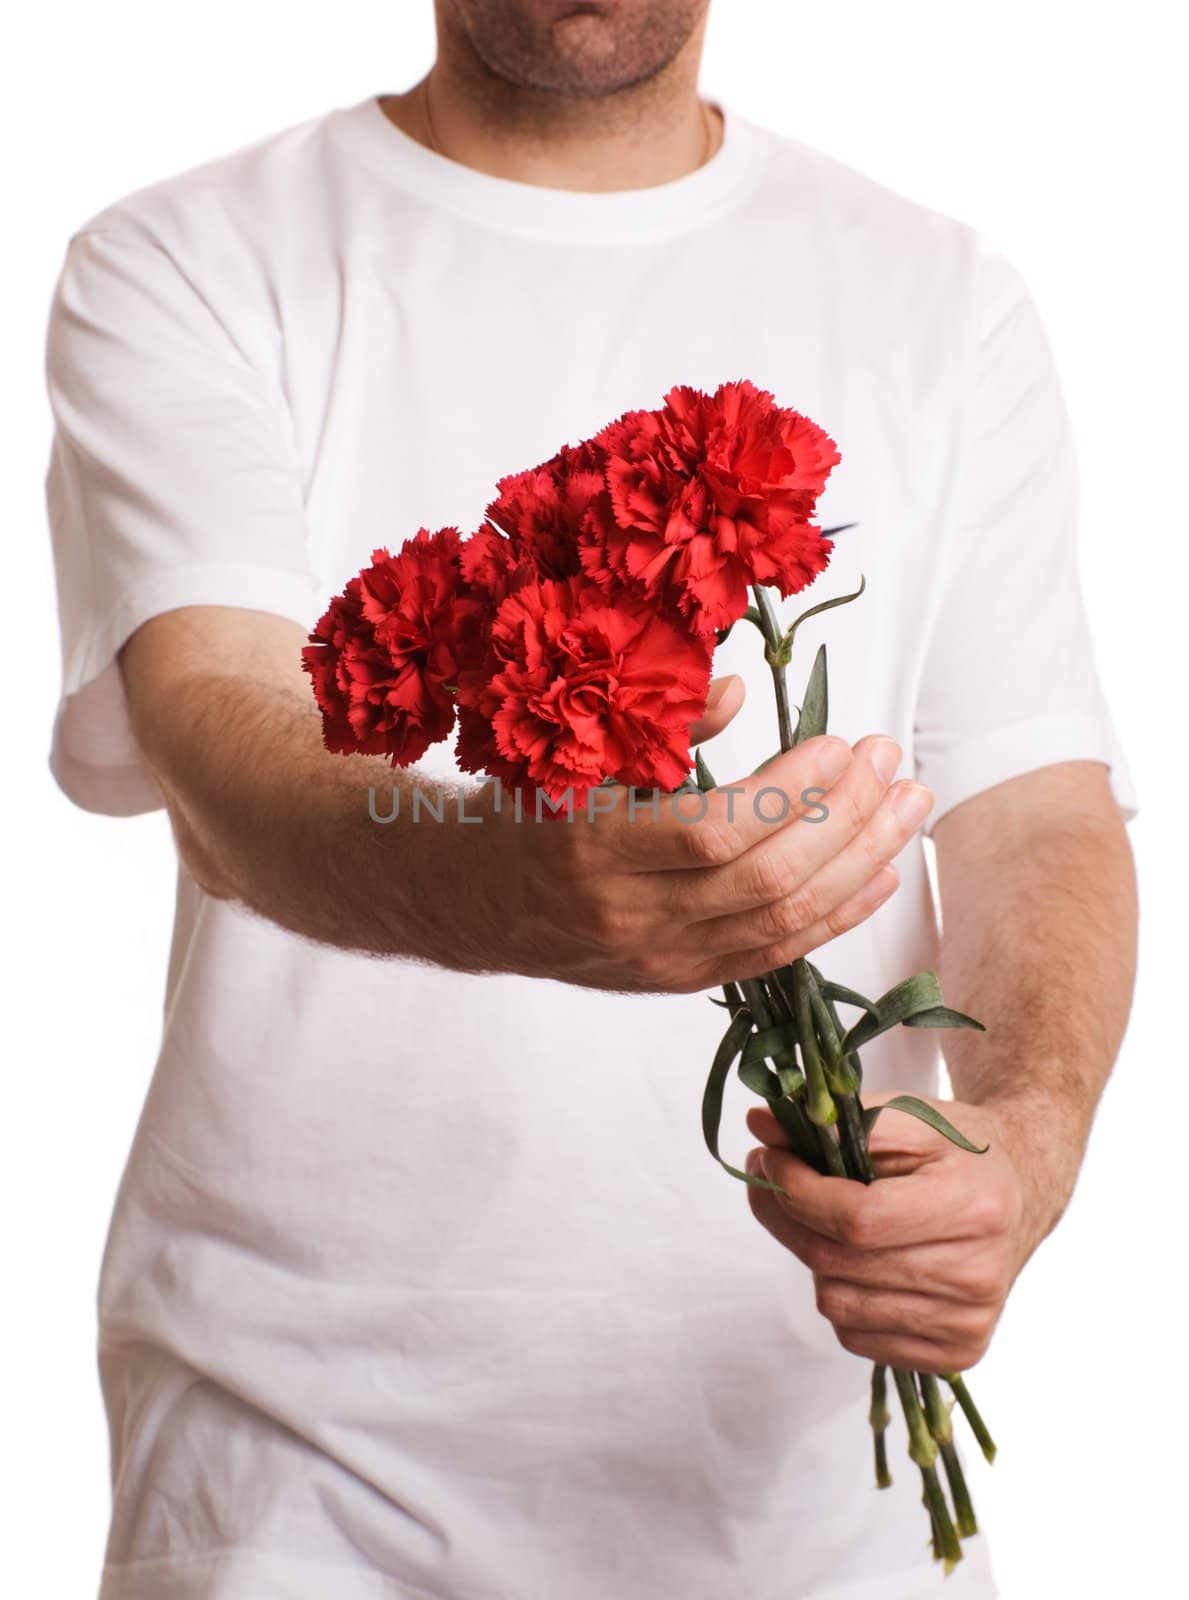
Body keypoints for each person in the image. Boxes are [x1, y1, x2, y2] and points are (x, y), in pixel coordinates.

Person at [43, 2, 1138, 1596]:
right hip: (301, 1478)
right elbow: (224, 739)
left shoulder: (940, 297)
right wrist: (520, 883)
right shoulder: (189, 256)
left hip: (809, 1500)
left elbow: (1035, 812)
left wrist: (1019, 1150)